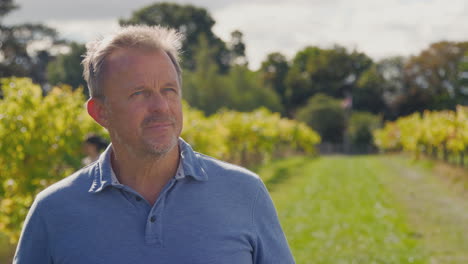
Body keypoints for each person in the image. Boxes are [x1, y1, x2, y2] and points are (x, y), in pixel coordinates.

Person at [14, 25, 295, 264]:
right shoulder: (53, 211)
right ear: (100, 113)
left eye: (169, 90)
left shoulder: (245, 193)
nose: (161, 107)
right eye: (139, 93)